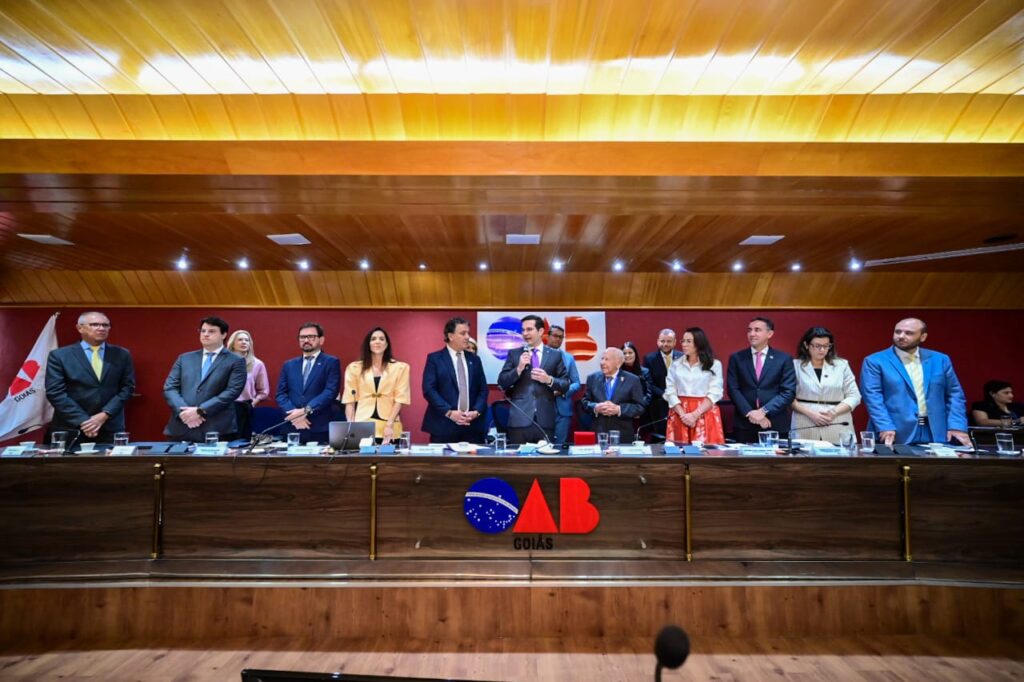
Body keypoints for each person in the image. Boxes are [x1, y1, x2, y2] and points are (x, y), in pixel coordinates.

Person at [861, 318, 969, 446]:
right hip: (894, 431)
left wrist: (957, 425)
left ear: (923, 337)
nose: (901, 336)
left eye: (909, 333)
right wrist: (885, 425)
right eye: (898, 332)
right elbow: (873, 397)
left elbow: (955, 394)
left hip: (936, 430)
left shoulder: (940, 359)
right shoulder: (875, 361)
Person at [44, 311, 136, 444]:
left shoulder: (122, 354)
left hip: (109, 426)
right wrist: (84, 421)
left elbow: (127, 388)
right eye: (94, 324)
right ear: (79, 328)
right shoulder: (59, 356)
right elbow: (55, 392)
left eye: (105, 325)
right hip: (72, 426)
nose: (101, 328)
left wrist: (104, 415)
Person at [163, 316, 246, 442]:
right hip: (182, 425)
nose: (205, 334)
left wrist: (200, 410)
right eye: (203, 331)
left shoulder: (236, 361)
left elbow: (232, 391)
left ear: (223, 335)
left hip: (216, 426)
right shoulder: (184, 358)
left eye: (211, 331)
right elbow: (170, 388)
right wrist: (184, 413)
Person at [497, 314, 570, 444]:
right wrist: (518, 369)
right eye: (523, 330)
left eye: (529, 329)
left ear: (540, 331)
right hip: (519, 419)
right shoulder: (515, 354)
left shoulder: (555, 355)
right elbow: (502, 382)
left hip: (545, 420)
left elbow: (565, 384)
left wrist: (549, 380)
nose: (525, 333)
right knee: (517, 457)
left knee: (545, 456)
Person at [726, 316, 797, 443]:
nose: (752, 334)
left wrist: (764, 411)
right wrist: (750, 413)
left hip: (775, 422)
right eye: (749, 330)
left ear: (770, 334)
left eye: (757, 330)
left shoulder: (783, 359)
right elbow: (733, 389)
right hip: (745, 423)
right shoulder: (737, 358)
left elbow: (788, 392)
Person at [422, 317, 489, 444]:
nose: (467, 337)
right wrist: (449, 412)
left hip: (472, 427)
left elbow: (483, 389)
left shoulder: (475, 360)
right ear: (450, 336)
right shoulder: (435, 359)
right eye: (463, 333)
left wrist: (476, 412)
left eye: (468, 333)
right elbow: (429, 390)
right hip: (443, 425)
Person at [790, 326, 861, 444]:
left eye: (826, 346)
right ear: (806, 345)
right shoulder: (795, 366)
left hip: (838, 421)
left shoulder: (841, 365)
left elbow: (854, 396)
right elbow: (787, 397)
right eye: (817, 346)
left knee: (840, 455)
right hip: (805, 421)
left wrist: (833, 412)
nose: (822, 350)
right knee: (804, 454)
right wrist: (811, 414)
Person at [276, 322, 341, 445]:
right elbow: (281, 394)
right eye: (302, 337)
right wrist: (295, 415)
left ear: (321, 340)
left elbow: (330, 392)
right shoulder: (289, 365)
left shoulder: (331, 362)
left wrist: (306, 410)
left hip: (318, 427)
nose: (306, 340)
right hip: (292, 426)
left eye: (311, 337)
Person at [343, 327, 411, 443]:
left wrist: (389, 424)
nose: (377, 342)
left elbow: (400, 398)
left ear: (387, 344)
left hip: (389, 426)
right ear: (368, 344)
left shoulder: (401, 368)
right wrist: (351, 426)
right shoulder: (354, 368)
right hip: (362, 424)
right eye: (373, 339)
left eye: (381, 339)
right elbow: (349, 400)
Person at [664, 327, 725, 445]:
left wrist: (695, 415)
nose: (684, 344)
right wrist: (683, 415)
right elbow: (670, 391)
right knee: (679, 450)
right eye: (683, 341)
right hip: (680, 412)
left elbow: (715, 392)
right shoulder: (676, 364)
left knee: (706, 451)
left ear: (699, 343)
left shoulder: (714, 364)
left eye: (689, 341)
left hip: (704, 411)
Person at [581, 347, 647, 436]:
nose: (602, 362)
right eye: (602, 359)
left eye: (607, 359)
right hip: (599, 433)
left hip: (623, 434)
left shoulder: (632, 380)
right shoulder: (592, 378)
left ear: (618, 363)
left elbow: (640, 407)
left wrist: (619, 409)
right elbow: (585, 402)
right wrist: (595, 407)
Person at [226, 329, 270, 440]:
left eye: (247, 340)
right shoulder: (223, 362)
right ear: (233, 343)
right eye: (240, 340)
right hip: (225, 407)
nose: (244, 342)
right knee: (224, 441)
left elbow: (263, 390)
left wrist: (254, 402)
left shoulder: (257, 364)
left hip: (244, 407)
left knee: (242, 441)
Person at [642, 329, 682, 442]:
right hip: (659, 404)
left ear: (674, 342)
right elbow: (648, 383)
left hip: (679, 402)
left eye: (669, 341)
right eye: (662, 341)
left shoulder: (683, 357)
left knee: (679, 437)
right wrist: (665, 395)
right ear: (657, 341)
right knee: (660, 437)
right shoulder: (649, 359)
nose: (665, 344)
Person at [547, 325, 581, 445]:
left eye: (561, 337)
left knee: (560, 446)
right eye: (555, 336)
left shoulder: (568, 358)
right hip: (542, 408)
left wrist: (563, 391)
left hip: (563, 410)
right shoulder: (538, 355)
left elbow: (576, 383)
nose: (558, 339)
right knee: (542, 446)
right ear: (547, 336)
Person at [621, 341, 653, 408]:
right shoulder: (617, 372)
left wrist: (639, 407)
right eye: (624, 353)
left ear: (635, 354)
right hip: (622, 409)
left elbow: (649, 393)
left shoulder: (645, 372)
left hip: (641, 408)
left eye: (630, 353)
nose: (627, 355)